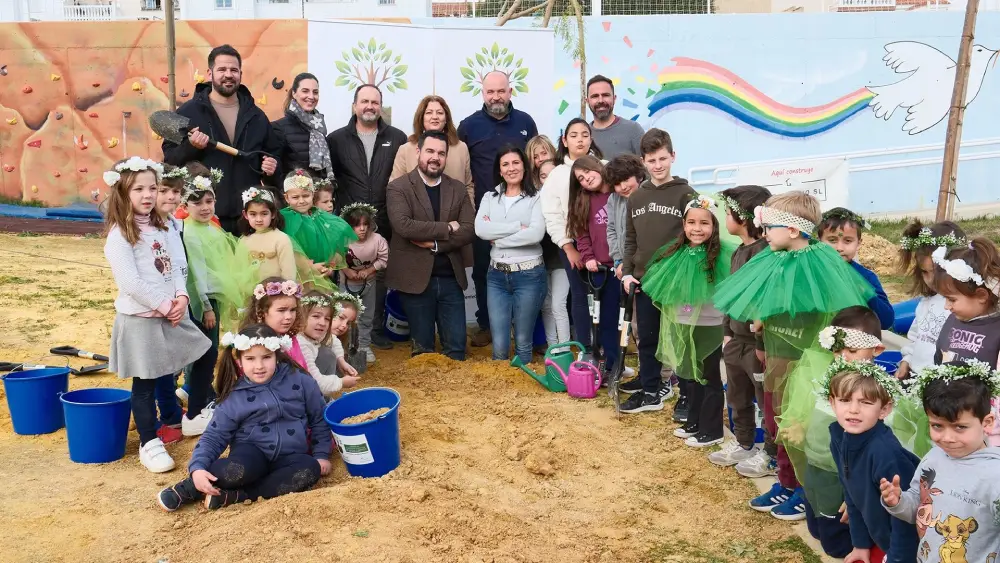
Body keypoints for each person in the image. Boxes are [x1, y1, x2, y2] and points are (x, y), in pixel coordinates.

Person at [713, 191, 874, 521]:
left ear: (792, 230)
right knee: (776, 423)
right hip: (775, 356)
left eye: (769, 226)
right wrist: (761, 319)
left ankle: (805, 490)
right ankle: (786, 482)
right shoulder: (774, 258)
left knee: (800, 427)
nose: (764, 232)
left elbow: (831, 311)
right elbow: (772, 298)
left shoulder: (820, 266)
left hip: (805, 364)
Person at [102, 157, 211, 473]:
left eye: (152, 187)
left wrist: (181, 295)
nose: (148, 195)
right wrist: (165, 305)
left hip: (173, 312)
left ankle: (193, 416)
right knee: (146, 382)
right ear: (123, 190)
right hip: (143, 318)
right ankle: (149, 442)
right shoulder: (120, 235)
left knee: (204, 352)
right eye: (139, 189)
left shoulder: (164, 226)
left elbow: (178, 264)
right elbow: (130, 283)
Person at [156, 324, 331, 512]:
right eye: (250, 358)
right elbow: (214, 436)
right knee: (239, 470)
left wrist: (321, 455)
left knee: (309, 468)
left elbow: (319, 419)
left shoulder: (301, 381)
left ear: (277, 355)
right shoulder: (234, 396)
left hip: (290, 456)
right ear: (239, 360)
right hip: (251, 455)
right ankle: (190, 487)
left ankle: (241, 496)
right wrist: (197, 468)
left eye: (266, 357)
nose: (259, 366)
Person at [778, 307, 889, 554]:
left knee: (836, 539)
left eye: (851, 351)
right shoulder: (830, 377)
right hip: (816, 464)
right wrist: (801, 426)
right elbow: (818, 409)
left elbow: (874, 446)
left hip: (843, 474)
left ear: (877, 350)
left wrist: (860, 497)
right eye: (837, 350)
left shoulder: (872, 392)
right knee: (816, 524)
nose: (842, 357)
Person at [881, 360, 1000, 563]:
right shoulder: (933, 458)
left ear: (987, 422)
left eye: (960, 427)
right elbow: (918, 508)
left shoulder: (994, 477)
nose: (947, 437)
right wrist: (897, 502)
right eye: (937, 426)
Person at [643, 195, 736, 447]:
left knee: (708, 376)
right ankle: (694, 420)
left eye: (704, 223)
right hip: (683, 322)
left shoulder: (722, 257)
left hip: (709, 325)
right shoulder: (676, 253)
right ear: (683, 225)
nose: (697, 228)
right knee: (688, 375)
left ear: (714, 226)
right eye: (691, 222)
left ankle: (712, 428)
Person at [161, 44, 280, 234]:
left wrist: (270, 169)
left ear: (240, 73)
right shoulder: (188, 112)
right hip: (204, 218)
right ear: (210, 73)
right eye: (222, 69)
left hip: (247, 217)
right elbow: (170, 161)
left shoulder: (256, 116)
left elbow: (271, 158)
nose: (228, 74)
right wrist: (191, 147)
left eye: (234, 70)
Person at [458, 71, 539, 348]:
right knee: (483, 271)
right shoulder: (468, 126)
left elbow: (534, 163)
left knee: (526, 269)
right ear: (483, 93)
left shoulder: (526, 122)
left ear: (510, 91)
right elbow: (463, 169)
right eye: (490, 92)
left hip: (524, 205)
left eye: (501, 91)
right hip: (487, 211)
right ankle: (486, 325)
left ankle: (527, 329)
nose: (496, 97)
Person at [619, 129, 695, 414]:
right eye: (652, 160)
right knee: (647, 338)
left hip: (677, 283)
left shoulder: (687, 194)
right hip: (645, 280)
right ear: (643, 162)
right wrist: (627, 271)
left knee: (680, 340)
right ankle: (651, 392)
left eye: (663, 158)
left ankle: (687, 395)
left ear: (673, 157)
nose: (658, 165)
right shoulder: (636, 198)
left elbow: (696, 238)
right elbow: (630, 239)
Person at [327, 84, 407, 351]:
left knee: (379, 276)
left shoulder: (397, 138)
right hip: (348, 224)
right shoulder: (336, 139)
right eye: (364, 101)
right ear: (354, 106)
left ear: (380, 106)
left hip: (385, 220)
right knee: (346, 276)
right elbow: (332, 180)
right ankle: (345, 330)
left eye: (375, 102)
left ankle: (374, 329)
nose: (370, 106)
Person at [177, 168, 255, 436]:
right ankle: (196, 408)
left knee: (210, 350)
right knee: (205, 352)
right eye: (196, 202)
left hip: (214, 296)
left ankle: (202, 398)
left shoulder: (212, 227)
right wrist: (206, 308)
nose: (204, 207)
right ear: (184, 205)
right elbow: (196, 274)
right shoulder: (189, 232)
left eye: (208, 201)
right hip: (202, 300)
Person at [386, 131, 476, 360]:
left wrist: (437, 244)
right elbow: (404, 226)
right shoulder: (398, 187)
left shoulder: (457, 188)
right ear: (418, 152)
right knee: (422, 351)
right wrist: (446, 228)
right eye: (430, 151)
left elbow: (468, 229)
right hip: (415, 281)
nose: (435, 157)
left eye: (441, 153)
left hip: (450, 279)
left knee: (456, 350)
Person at [820, 357, 919, 563]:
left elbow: (907, 519)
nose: (854, 409)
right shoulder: (840, 435)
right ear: (832, 402)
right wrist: (860, 543)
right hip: (879, 537)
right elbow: (852, 492)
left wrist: (897, 558)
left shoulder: (886, 453)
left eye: (866, 402)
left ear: (884, 409)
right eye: (845, 400)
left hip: (905, 547)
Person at [710, 185, 775, 473]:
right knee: (737, 396)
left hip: (755, 345)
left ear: (744, 217)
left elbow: (764, 301)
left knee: (765, 400)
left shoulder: (764, 253)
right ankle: (744, 441)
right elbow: (730, 296)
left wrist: (761, 343)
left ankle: (771, 453)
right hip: (735, 340)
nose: (725, 218)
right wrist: (726, 330)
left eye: (727, 212)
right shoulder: (739, 251)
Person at [474, 145, 547, 365]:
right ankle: (501, 394)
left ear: (524, 166)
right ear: (499, 169)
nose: (511, 168)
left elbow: (535, 234)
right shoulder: (489, 197)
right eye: (505, 164)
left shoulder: (536, 197)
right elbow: (480, 230)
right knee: (499, 344)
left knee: (524, 341)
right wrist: (518, 226)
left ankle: (521, 394)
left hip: (529, 276)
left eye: (516, 163)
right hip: (496, 276)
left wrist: (497, 236)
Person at [541, 118, 605, 356]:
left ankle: (607, 351)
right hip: (573, 244)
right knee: (580, 296)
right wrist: (569, 248)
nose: (580, 139)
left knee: (606, 298)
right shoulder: (557, 175)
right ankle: (586, 350)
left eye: (585, 134)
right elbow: (552, 215)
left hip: (604, 243)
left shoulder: (604, 167)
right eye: (574, 135)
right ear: (564, 141)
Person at [567, 155, 623, 377]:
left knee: (628, 321)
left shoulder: (619, 194)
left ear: (598, 167)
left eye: (588, 172)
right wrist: (588, 256)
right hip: (601, 270)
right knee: (606, 321)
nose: (586, 179)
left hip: (624, 268)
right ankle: (611, 365)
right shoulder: (583, 201)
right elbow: (581, 234)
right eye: (580, 178)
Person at [896, 221, 967, 380]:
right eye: (925, 272)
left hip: (941, 383)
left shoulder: (963, 306)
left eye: (936, 272)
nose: (930, 280)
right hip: (915, 376)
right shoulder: (926, 303)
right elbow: (916, 336)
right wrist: (906, 360)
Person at [817, 208, 895, 330]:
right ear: (819, 242)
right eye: (832, 240)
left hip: (853, 345)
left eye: (847, 241)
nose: (839, 248)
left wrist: (866, 291)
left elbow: (886, 321)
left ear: (858, 243)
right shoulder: (812, 272)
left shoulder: (866, 277)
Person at [279, 170, 358, 286]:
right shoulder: (283, 219)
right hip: (296, 280)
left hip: (321, 277)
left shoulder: (322, 217)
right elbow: (283, 250)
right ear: (286, 198)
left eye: (306, 196)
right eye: (295, 197)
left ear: (313, 194)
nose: (301, 201)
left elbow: (336, 245)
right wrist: (308, 266)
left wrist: (330, 266)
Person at [391, 95, 474, 203]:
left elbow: (468, 186)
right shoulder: (406, 150)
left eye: (439, 113)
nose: (434, 117)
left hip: (455, 217)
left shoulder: (461, 148)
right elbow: (395, 188)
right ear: (421, 118)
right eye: (429, 112)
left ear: (446, 119)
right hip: (416, 217)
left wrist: (468, 214)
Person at [341, 203, 389, 365]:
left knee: (366, 317)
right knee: (344, 317)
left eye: (365, 225)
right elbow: (334, 257)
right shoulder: (342, 239)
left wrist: (368, 271)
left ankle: (364, 347)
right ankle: (344, 349)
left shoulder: (378, 240)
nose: (361, 229)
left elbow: (383, 259)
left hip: (368, 284)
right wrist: (347, 271)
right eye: (357, 225)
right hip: (346, 284)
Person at [296, 291, 360, 397]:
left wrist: (341, 360)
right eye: (316, 316)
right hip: (297, 397)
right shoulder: (301, 345)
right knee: (327, 355)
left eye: (327, 319)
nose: (322, 323)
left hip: (307, 388)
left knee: (328, 354)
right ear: (301, 316)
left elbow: (333, 340)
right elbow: (316, 382)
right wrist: (341, 382)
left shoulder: (312, 333)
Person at [271, 72, 333, 180]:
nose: (311, 96)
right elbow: (274, 173)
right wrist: (289, 194)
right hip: (295, 195)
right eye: (305, 91)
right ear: (294, 93)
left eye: (315, 92)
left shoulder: (319, 128)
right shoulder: (279, 128)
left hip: (320, 195)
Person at [241, 277, 308, 369]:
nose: (289, 316)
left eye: (293, 310)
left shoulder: (290, 340)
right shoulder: (251, 343)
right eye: (281, 310)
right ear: (262, 312)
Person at [237, 187, 295, 281]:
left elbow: (289, 274)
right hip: (250, 293)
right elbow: (239, 271)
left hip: (278, 293)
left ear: (273, 214)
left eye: (264, 214)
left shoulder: (281, 239)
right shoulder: (243, 240)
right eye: (253, 214)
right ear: (245, 215)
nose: (259, 219)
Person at [586, 75, 645, 160]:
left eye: (605, 95)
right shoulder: (584, 136)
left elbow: (648, 166)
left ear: (614, 98)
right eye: (595, 96)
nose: (600, 100)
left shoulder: (633, 130)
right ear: (587, 101)